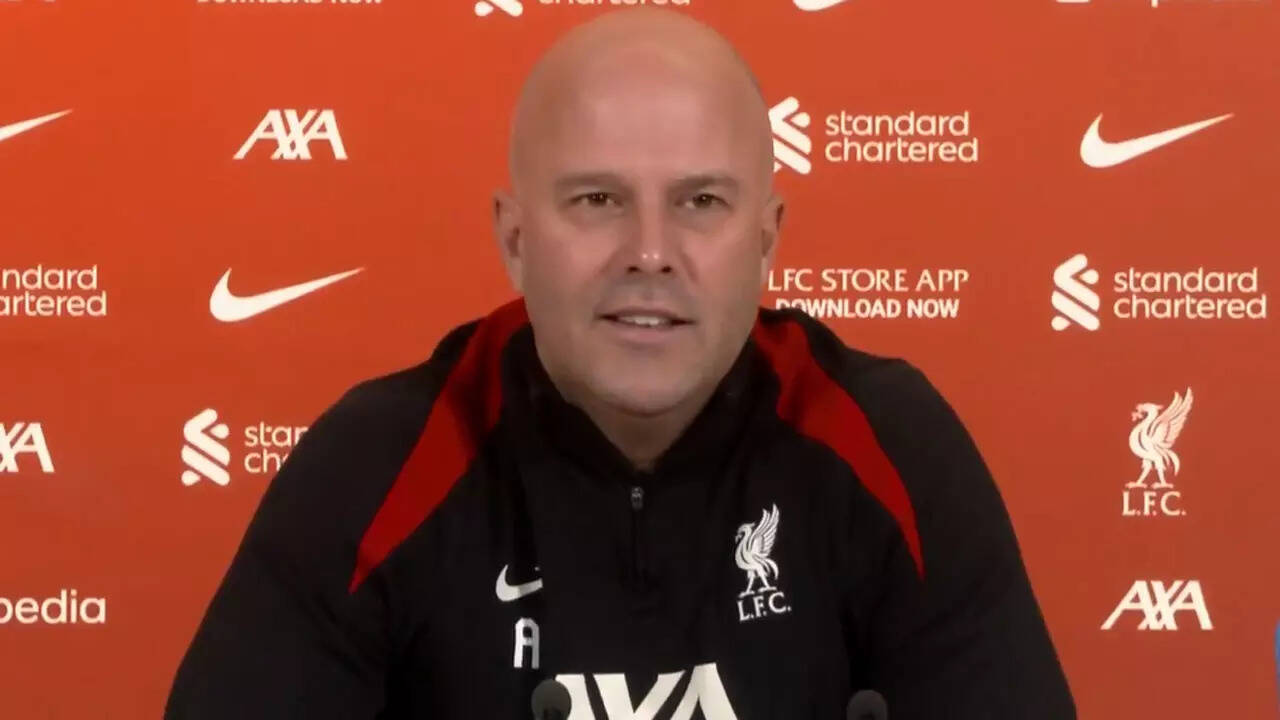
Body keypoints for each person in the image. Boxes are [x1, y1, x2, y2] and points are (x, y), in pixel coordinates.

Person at [165, 7, 1076, 719]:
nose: (649, 252)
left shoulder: (890, 447)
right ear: (515, 240)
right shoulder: (374, 467)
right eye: (597, 199)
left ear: (767, 239)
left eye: (701, 201)